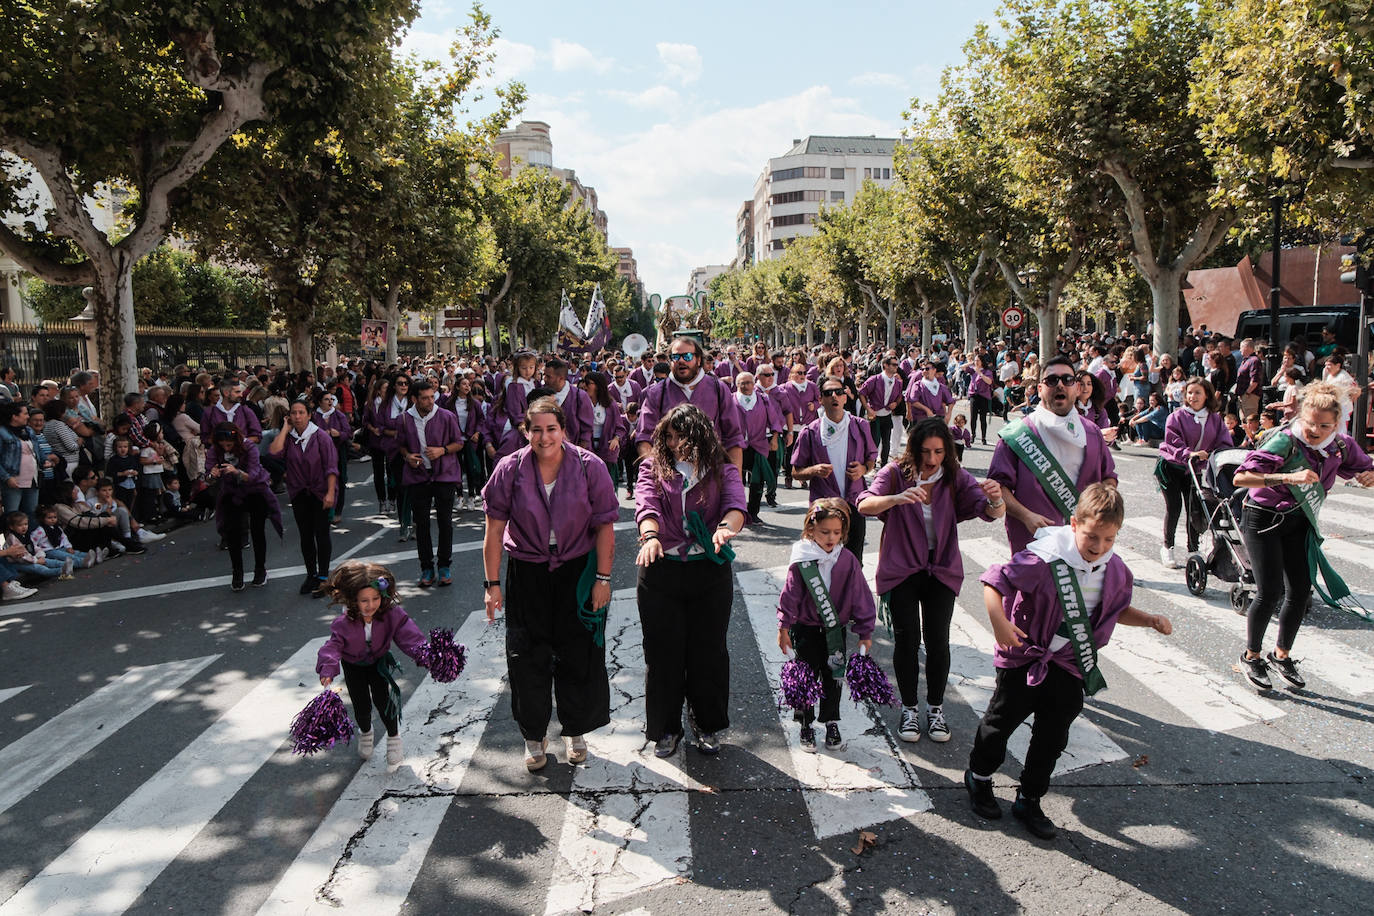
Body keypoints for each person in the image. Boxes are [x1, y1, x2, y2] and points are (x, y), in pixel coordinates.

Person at [965, 483, 1172, 839]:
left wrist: (1150, 619)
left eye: (1109, 539)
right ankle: (979, 777)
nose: (1098, 547)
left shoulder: (1116, 570)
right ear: (1074, 524)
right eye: (1092, 537)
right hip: (1025, 658)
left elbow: (1117, 610)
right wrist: (999, 621)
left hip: (1069, 665)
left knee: (1052, 737)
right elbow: (995, 581)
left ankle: (1029, 798)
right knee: (1000, 723)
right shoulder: (1046, 558)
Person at [482, 397, 618, 772]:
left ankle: (575, 729)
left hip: (578, 571)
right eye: (536, 429)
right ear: (526, 431)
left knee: (579, 652)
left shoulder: (590, 467)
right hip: (527, 571)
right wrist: (492, 584)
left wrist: (603, 579)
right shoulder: (509, 469)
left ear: (564, 430)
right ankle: (533, 734)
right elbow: (493, 532)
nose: (544, 437)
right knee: (526, 655)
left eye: (551, 429)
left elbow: (605, 527)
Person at [858, 417, 1005, 744]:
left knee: (938, 640)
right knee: (907, 640)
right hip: (902, 569)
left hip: (941, 569)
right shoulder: (896, 473)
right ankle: (909, 709)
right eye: (926, 451)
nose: (932, 459)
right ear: (913, 449)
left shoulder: (955, 476)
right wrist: (897, 498)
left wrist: (996, 499)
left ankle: (935, 709)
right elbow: (864, 504)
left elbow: (991, 512)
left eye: (940, 451)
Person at [1231, 382, 1374, 691]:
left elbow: (1366, 468)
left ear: (1335, 424)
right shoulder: (1285, 442)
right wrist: (1287, 476)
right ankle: (1252, 656)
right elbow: (1240, 477)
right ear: (1300, 416)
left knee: (1300, 591)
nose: (1316, 430)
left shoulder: (1341, 445)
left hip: (1299, 521)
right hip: (1263, 518)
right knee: (1269, 592)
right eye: (1311, 423)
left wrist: (1368, 475)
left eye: (1324, 425)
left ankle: (1281, 656)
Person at [634, 404, 746, 758]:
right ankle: (667, 728)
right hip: (661, 568)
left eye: (681, 435)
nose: (674, 442)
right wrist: (650, 536)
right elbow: (646, 506)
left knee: (708, 652)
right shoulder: (652, 468)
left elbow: (735, 506)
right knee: (663, 653)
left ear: (700, 435)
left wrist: (726, 529)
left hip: (708, 570)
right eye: (668, 435)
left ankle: (706, 723)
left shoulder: (722, 469)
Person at [988, 356, 1118, 556]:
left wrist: (1100, 509)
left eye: (1067, 380)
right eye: (1051, 380)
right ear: (1039, 389)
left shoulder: (1092, 432)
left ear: (1075, 388)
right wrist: (1026, 516)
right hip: (1035, 542)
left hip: (1085, 543)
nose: (1060, 385)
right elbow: (999, 486)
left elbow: (1109, 477)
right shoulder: (1017, 435)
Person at [775, 498, 876, 753]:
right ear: (811, 530)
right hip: (806, 630)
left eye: (836, 532)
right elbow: (790, 595)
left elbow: (860, 595)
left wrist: (865, 630)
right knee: (806, 679)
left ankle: (831, 721)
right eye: (824, 532)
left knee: (834, 678)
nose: (831, 538)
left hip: (835, 631)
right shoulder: (802, 559)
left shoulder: (848, 560)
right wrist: (783, 627)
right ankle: (806, 724)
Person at [316, 562, 428, 769]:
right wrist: (328, 668)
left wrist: (425, 654)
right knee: (361, 705)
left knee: (384, 700)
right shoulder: (343, 622)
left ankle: (394, 738)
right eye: (364, 600)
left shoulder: (390, 614)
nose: (371, 605)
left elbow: (409, 636)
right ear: (353, 600)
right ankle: (365, 732)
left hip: (378, 663)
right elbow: (332, 646)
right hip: (353, 666)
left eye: (376, 598)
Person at [790, 377, 877, 562]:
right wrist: (813, 470)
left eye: (839, 392)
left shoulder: (861, 426)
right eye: (828, 393)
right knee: (824, 561)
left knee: (854, 561)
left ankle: (851, 591)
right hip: (825, 507)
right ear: (821, 399)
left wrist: (863, 468)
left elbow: (871, 460)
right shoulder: (811, 432)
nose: (834, 396)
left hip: (854, 503)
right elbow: (796, 471)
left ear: (846, 397)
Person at [635, 334, 745, 472]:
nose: (681, 361)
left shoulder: (718, 388)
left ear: (698, 360)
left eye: (687, 356)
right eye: (675, 357)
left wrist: (735, 481)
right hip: (671, 478)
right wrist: (656, 474)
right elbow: (645, 437)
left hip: (712, 475)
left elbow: (733, 438)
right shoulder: (657, 392)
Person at [1155, 378, 1228, 569]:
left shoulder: (1214, 418)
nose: (1193, 397)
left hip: (1193, 470)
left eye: (1197, 393)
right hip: (1171, 467)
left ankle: (1192, 549)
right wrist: (1190, 454)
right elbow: (1172, 441)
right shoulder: (1177, 416)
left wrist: (1219, 454)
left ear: (1207, 395)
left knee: (1194, 508)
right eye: (1190, 392)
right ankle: (1167, 547)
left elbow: (1224, 441)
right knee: (1175, 507)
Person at [397, 379, 463, 588]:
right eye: (424, 398)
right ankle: (426, 568)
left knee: (445, 522)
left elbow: (459, 443)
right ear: (414, 399)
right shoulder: (404, 420)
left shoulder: (446, 416)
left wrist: (442, 450)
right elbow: (400, 446)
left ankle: (444, 566)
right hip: (418, 477)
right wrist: (408, 456)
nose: (430, 401)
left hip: (444, 476)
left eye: (432, 397)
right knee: (422, 524)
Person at [270, 400, 339, 595]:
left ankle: (324, 576)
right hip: (300, 493)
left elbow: (331, 467)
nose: (297, 416)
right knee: (305, 536)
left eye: (301, 413)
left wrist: (330, 493)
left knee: (321, 533)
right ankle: (311, 574)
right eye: (294, 413)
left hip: (320, 492)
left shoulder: (321, 437)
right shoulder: (289, 438)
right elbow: (274, 452)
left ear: (309, 415)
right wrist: (285, 428)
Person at [207, 422, 282, 591]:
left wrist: (236, 472)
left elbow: (254, 474)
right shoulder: (214, 451)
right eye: (222, 445)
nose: (226, 448)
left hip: (255, 491)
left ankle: (260, 569)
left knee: (257, 531)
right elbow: (207, 475)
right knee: (232, 533)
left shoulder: (249, 447)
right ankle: (237, 572)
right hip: (232, 493)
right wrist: (212, 475)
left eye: (229, 444)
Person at [733, 371, 782, 524]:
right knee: (735, 481)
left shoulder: (764, 399)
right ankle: (738, 512)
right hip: (736, 447)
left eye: (748, 382)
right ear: (737, 384)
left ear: (754, 384)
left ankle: (753, 513)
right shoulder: (730, 400)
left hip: (758, 446)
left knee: (757, 481)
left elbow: (774, 421)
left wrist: (774, 438)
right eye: (742, 382)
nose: (745, 385)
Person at [312, 392, 352, 524]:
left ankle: (337, 511)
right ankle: (325, 509)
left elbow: (348, 433)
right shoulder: (314, 416)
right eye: (326, 399)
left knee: (339, 481)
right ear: (319, 402)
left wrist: (338, 434)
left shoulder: (338, 415)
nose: (330, 402)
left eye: (331, 399)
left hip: (339, 452)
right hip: (320, 455)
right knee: (323, 481)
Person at [858, 355, 903, 466]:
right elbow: (862, 393)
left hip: (887, 415)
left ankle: (884, 464)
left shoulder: (898, 382)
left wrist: (896, 403)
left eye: (897, 364)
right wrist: (868, 409)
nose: (896, 367)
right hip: (875, 415)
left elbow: (900, 396)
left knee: (886, 441)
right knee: (874, 441)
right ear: (885, 365)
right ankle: (870, 464)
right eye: (893, 364)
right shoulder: (875, 379)